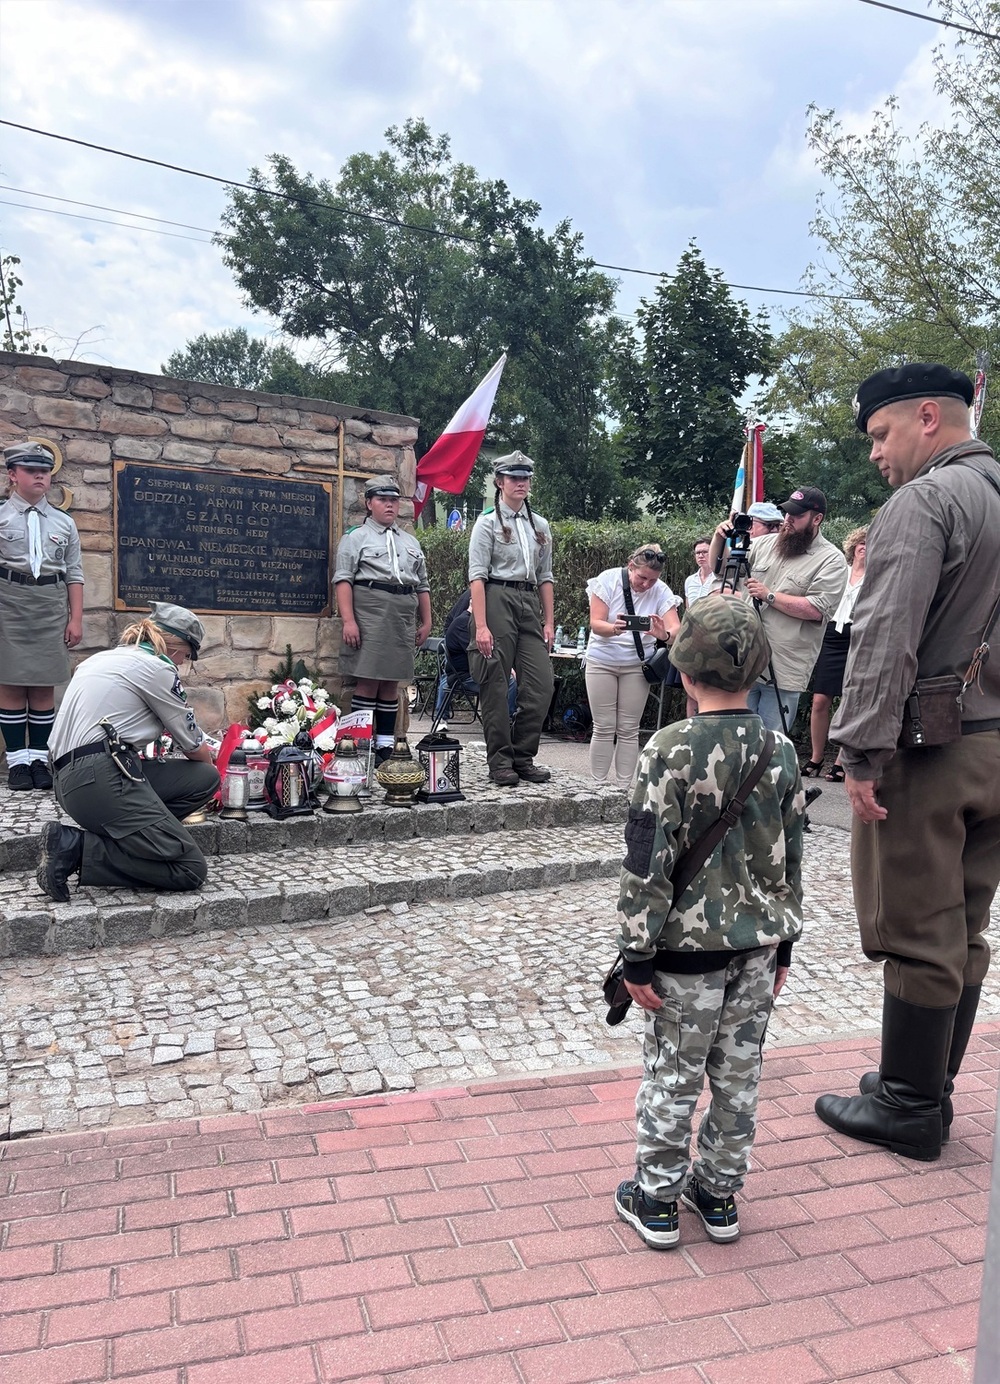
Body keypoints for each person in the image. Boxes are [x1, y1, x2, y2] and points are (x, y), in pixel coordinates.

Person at [815, 363, 1000, 1163]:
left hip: (933, 750)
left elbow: (883, 639)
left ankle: (909, 1107)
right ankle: (924, 1082)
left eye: (880, 435)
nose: (875, 455)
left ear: (929, 417)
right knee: (966, 923)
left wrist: (859, 751)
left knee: (919, 929)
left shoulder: (924, 502)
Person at [613, 594, 804, 1249]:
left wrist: (635, 952)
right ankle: (718, 1196)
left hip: (685, 955)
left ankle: (658, 1201)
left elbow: (647, 857)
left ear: (686, 675)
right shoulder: (780, 750)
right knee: (738, 1078)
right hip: (757, 945)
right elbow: (793, 854)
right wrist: (785, 948)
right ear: (754, 674)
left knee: (673, 1074)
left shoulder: (667, 749)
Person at [36, 603, 220, 903]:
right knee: (189, 868)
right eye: (187, 657)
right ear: (176, 647)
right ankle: (76, 849)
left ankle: (140, 839)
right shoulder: (158, 667)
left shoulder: (102, 659)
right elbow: (193, 745)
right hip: (101, 778)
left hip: (67, 780)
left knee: (202, 779)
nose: (183, 664)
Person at [708, 487, 848, 733]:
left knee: (770, 744)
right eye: (786, 514)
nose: (788, 520)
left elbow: (816, 609)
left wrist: (769, 595)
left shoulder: (831, 560)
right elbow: (721, 570)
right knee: (737, 738)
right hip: (745, 660)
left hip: (783, 666)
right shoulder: (763, 544)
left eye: (797, 515)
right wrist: (719, 539)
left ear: (817, 519)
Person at [0, 441, 84, 791]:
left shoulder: (64, 523)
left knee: (43, 686)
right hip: (8, 601)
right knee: (10, 684)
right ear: (12, 475)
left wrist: (75, 618)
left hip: (49, 604)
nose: (39, 476)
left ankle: (39, 757)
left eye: (45, 471)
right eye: (31, 470)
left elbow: (74, 573)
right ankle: (17, 761)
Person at [468, 453, 554, 787]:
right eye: (513, 478)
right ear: (500, 482)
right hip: (496, 596)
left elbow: (546, 576)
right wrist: (482, 625)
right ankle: (500, 760)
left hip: (529, 599)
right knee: (495, 682)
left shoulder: (540, 525)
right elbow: (477, 576)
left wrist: (549, 621)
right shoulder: (487, 522)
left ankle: (522, 755)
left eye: (525, 478)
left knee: (542, 684)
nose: (520, 483)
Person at [335, 475, 432, 764]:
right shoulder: (356, 538)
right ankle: (362, 745)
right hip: (370, 609)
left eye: (393, 500)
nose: (389, 505)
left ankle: (386, 745)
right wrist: (348, 621)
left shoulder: (410, 541)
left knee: (391, 681)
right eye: (382, 499)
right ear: (369, 503)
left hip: (402, 612)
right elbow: (343, 581)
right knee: (367, 679)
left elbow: (422, 584)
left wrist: (426, 621)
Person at [584, 544, 681, 787]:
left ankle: (623, 788)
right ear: (630, 567)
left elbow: (676, 630)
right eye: (642, 577)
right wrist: (614, 628)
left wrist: (664, 634)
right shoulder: (607, 580)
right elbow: (596, 623)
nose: (647, 584)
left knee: (629, 729)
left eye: (653, 579)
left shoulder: (661, 590)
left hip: (637, 664)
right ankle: (598, 786)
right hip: (602, 659)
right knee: (603, 726)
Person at [801, 527, 867, 782]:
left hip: (858, 637)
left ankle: (840, 761)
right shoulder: (841, 571)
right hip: (831, 635)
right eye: (860, 542)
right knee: (820, 700)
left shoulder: (877, 575)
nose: (864, 546)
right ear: (853, 547)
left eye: (869, 543)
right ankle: (816, 758)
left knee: (849, 701)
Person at [431, 589, 516, 726]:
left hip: (471, 672)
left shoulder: (471, 621)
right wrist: (506, 667)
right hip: (464, 677)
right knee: (509, 681)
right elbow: (481, 653)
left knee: (506, 677)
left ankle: (503, 720)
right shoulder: (464, 624)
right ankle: (507, 722)